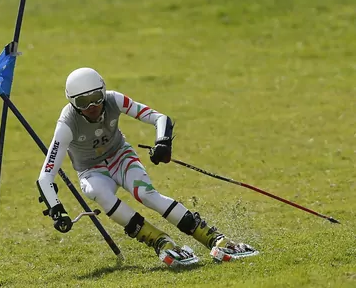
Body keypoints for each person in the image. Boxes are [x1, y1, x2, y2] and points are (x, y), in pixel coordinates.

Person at [36, 67, 258, 267]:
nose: (92, 106)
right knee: (98, 193)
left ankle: (213, 238)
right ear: (72, 103)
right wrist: (57, 210)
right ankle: (161, 242)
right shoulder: (66, 125)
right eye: (82, 103)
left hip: (120, 156)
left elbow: (159, 118)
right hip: (91, 171)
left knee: (146, 193)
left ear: (103, 91)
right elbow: (46, 175)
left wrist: (163, 142)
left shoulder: (115, 100)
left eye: (95, 98)